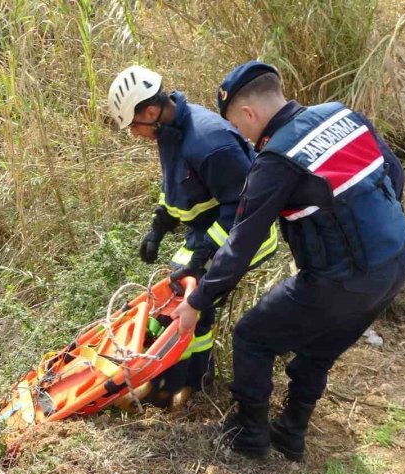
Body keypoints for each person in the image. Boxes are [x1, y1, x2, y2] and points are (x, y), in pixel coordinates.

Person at [171, 61, 405, 460]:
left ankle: (250, 435)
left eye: (237, 126)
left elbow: (241, 245)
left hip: (341, 281)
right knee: (319, 348)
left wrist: (197, 302)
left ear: (248, 114)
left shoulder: (275, 160)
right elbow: (394, 175)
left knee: (252, 336)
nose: (242, 137)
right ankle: (291, 432)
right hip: (395, 264)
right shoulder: (342, 115)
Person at [107, 65, 278, 406]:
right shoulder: (170, 133)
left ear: (151, 111)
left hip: (247, 234)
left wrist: (201, 261)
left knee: (195, 299)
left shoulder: (209, 142)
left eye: (133, 126)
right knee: (170, 293)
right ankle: (167, 373)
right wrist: (159, 227)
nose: (134, 134)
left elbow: (243, 211)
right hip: (210, 229)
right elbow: (176, 187)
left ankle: (191, 384)